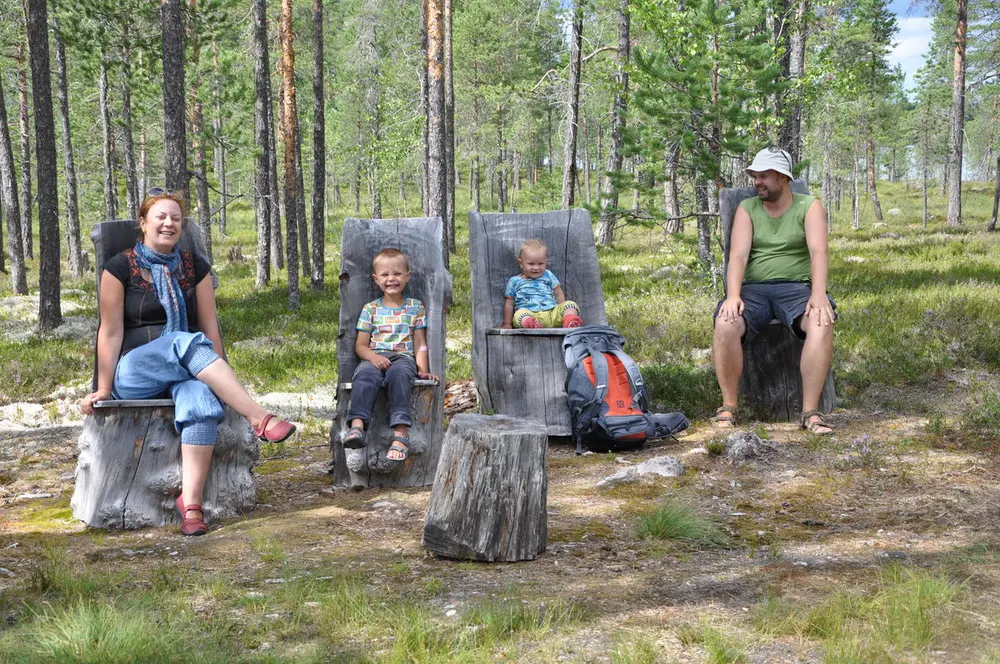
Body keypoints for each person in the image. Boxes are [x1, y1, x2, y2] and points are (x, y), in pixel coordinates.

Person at [80, 191, 296, 536]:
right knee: (183, 341)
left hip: (186, 365)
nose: (169, 223)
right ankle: (258, 416)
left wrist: (220, 378)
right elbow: (109, 332)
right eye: (161, 217)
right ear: (143, 223)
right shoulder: (119, 267)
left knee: (200, 400)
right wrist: (103, 388)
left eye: (176, 218)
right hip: (135, 372)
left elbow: (211, 327)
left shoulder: (195, 268)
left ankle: (191, 504)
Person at [712, 147, 836, 435]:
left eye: (763, 175)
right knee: (726, 323)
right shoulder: (748, 209)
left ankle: (810, 411)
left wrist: (818, 295)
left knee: (821, 320)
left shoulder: (809, 206)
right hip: (753, 289)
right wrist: (733, 296)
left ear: (782, 177)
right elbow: (738, 256)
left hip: (796, 288)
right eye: (755, 176)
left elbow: (819, 252)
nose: (757, 181)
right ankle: (729, 406)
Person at [342, 248, 438, 462]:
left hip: (403, 359)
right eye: (385, 275)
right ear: (376, 279)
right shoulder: (371, 309)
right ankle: (357, 426)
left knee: (400, 376)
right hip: (374, 356)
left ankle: (400, 434)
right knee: (365, 376)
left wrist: (423, 370)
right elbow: (360, 345)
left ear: (407, 276)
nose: (391, 279)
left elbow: (420, 342)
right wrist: (373, 358)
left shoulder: (415, 307)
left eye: (397, 274)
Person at [501, 238, 583, 329]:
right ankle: (531, 324)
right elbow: (509, 303)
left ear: (545, 262)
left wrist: (561, 310)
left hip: (551, 315)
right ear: (521, 263)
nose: (536, 267)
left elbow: (558, 294)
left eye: (540, 263)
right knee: (518, 315)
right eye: (531, 264)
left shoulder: (548, 275)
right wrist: (507, 323)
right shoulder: (514, 281)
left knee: (570, 304)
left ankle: (569, 320)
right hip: (529, 314)